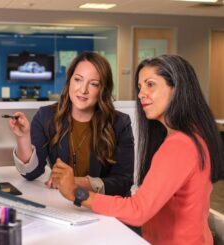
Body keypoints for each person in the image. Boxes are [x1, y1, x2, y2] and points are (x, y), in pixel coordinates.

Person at [50, 54, 224, 244]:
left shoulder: (180, 145)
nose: (141, 94)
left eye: (150, 84)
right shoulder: (193, 135)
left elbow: (138, 211)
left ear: (177, 89)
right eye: (140, 87)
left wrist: (76, 193)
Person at [8, 51, 134, 197]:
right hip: (64, 205)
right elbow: (31, 173)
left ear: (102, 89)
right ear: (69, 81)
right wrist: (23, 137)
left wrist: (74, 182)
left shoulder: (120, 123)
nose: (83, 90)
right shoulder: (46, 116)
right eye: (78, 80)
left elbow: (124, 182)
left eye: (93, 84)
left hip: (104, 207)